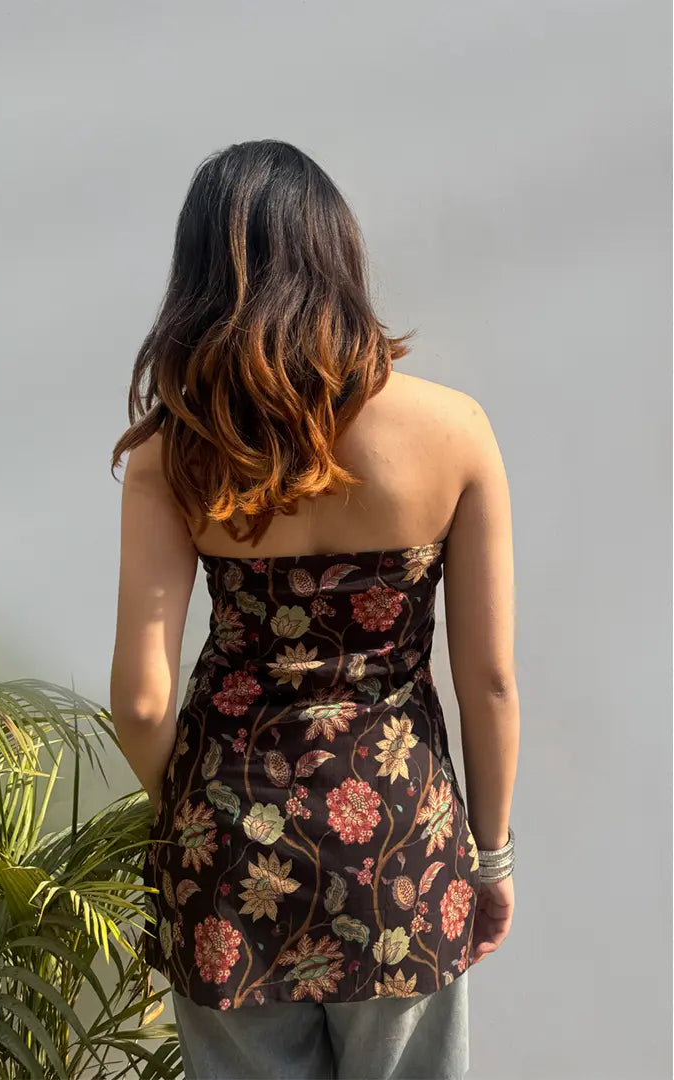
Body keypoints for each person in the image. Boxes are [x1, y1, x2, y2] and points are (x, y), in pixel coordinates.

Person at [109, 140, 519, 1080]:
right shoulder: (456, 430)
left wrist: (201, 816)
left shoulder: (176, 455)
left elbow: (139, 702)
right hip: (400, 846)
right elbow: (490, 680)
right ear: (339, 256)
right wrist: (492, 858)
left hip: (230, 853)